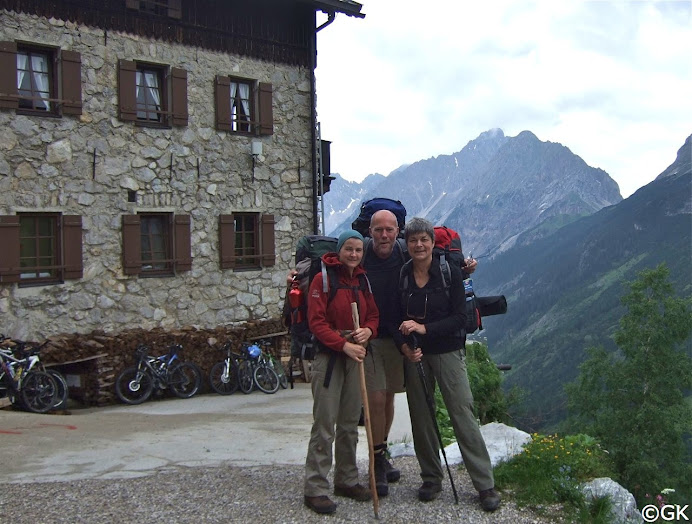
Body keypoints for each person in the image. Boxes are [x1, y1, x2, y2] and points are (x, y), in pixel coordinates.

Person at [393, 217, 500, 512]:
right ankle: (431, 478)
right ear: (407, 244)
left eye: (423, 240)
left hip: (448, 350)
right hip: (415, 354)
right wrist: (405, 345)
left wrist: (425, 330)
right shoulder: (403, 275)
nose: (418, 245)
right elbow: (394, 318)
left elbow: (460, 318)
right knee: (421, 417)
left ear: (432, 242)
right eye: (413, 240)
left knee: (462, 412)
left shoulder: (448, 272)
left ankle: (485, 484)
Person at [303, 230, 380, 515]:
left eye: (359, 250)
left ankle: (346, 480)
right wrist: (344, 345)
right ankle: (315, 488)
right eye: (349, 249)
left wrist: (368, 331)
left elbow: (373, 314)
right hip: (330, 358)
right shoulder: (322, 279)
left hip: (354, 353)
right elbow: (316, 322)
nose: (354, 254)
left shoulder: (363, 280)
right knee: (325, 423)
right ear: (339, 250)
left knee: (349, 421)